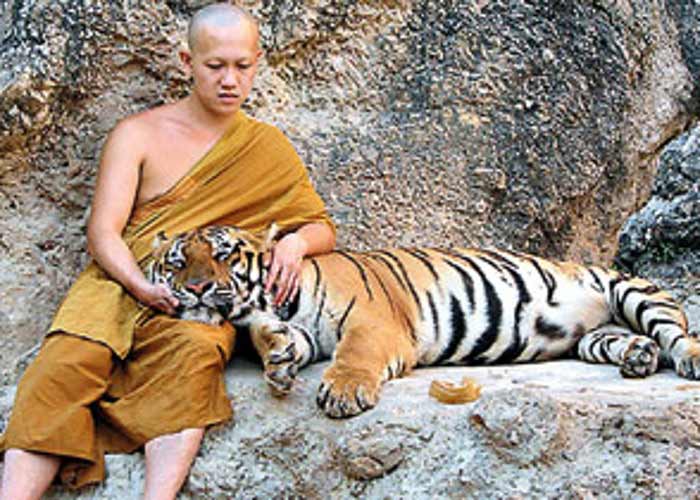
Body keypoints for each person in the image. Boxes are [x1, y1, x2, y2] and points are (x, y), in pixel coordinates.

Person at [0, 4, 335, 499]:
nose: (230, 80)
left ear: (257, 63)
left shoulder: (266, 146)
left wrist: (296, 242)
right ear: (186, 62)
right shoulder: (138, 134)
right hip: (118, 286)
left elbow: (321, 226)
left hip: (194, 302)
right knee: (60, 371)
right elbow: (102, 233)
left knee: (196, 356)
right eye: (215, 66)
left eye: (242, 67)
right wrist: (139, 285)